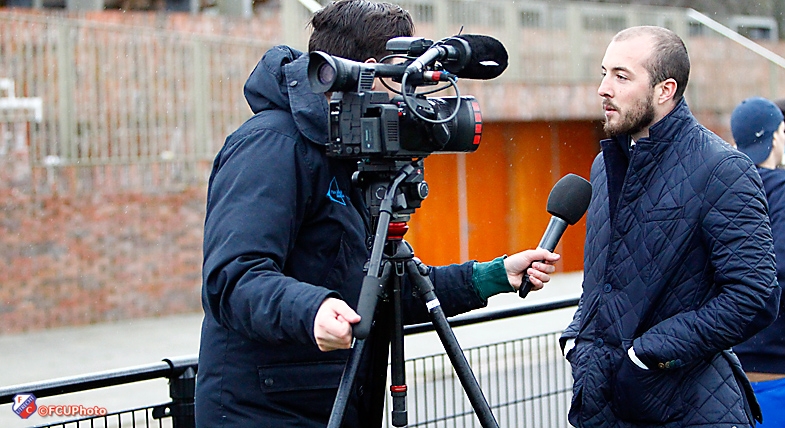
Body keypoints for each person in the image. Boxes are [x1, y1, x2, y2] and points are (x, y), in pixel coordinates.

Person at [193, 1, 560, 427]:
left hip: (336, 403)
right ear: (370, 73)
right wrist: (311, 309)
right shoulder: (273, 145)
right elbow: (232, 279)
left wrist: (494, 275)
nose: (413, 98)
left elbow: (381, 293)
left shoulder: (354, 154)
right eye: (405, 78)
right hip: (263, 411)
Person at [560, 26, 780, 428]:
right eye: (604, 73)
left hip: (693, 410)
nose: (603, 89)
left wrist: (648, 355)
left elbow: (755, 295)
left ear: (665, 90)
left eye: (622, 76)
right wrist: (577, 341)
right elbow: (603, 282)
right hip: (605, 407)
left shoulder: (722, 169)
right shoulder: (605, 166)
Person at [730, 96, 785, 427]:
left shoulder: (722, 187)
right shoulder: (782, 190)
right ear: (776, 136)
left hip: (727, 371)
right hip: (777, 365)